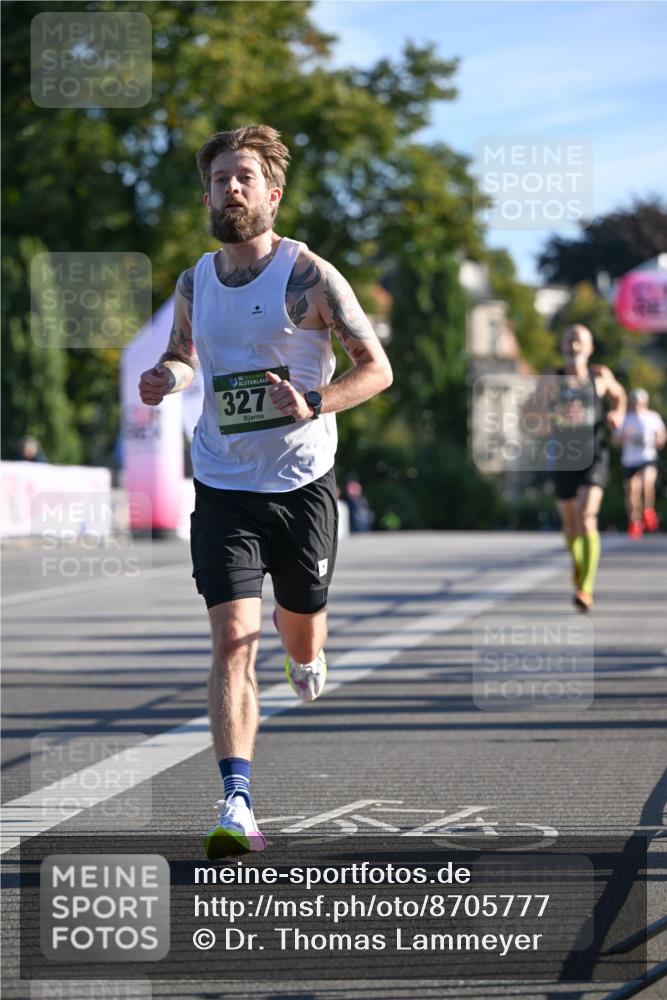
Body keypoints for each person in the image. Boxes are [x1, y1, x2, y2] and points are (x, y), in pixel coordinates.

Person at [138, 125, 392, 858]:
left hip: (300, 483)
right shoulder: (195, 279)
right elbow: (184, 355)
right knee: (230, 642)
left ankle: (307, 655)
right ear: (208, 193)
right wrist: (168, 379)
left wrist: (313, 402)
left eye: (244, 177)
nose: (230, 189)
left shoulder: (310, 276)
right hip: (222, 483)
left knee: (298, 629)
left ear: (271, 194)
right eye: (219, 179)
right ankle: (237, 800)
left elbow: (375, 368)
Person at [528, 324, 626, 612]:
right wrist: (545, 418)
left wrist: (617, 413)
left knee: (587, 517)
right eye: (569, 339)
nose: (573, 345)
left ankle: (586, 588)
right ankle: (578, 561)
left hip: (595, 454)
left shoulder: (600, 376)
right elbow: (529, 410)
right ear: (562, 346)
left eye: (579, 340)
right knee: (571, 525)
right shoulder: (551, 378)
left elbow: (620, 396)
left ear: (590, 347)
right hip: (563, 456)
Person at [614, 388, 665, 536]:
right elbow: (615, 440)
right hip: (630, 460)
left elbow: (661, 434)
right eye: (635, 402)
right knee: (631, 490)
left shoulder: (652, 417)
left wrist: (659, 439)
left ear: (645, 403)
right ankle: (634, 519)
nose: (637, 405)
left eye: (640, 402)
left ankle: (648, 511)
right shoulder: (626, 418)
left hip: (647, 457)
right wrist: (624, 436)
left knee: (647, 482)